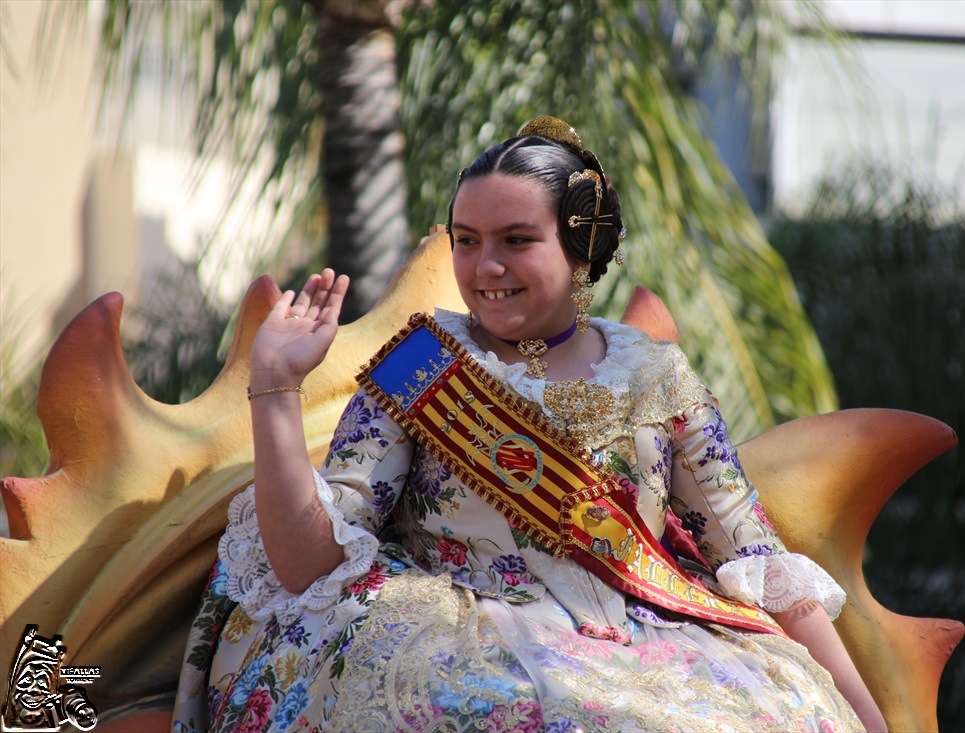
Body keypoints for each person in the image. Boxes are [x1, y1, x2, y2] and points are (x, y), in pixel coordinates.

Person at [172, 117, 886, 733]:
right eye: (466, 238)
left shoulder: (658, 374)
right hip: (457, 640)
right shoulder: (421, 362)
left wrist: (868, 714)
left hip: (649, 649)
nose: (485, 267)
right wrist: (275, 385)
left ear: (582, 249)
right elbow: (306, 566)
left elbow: (753, 556)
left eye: (516, 240)